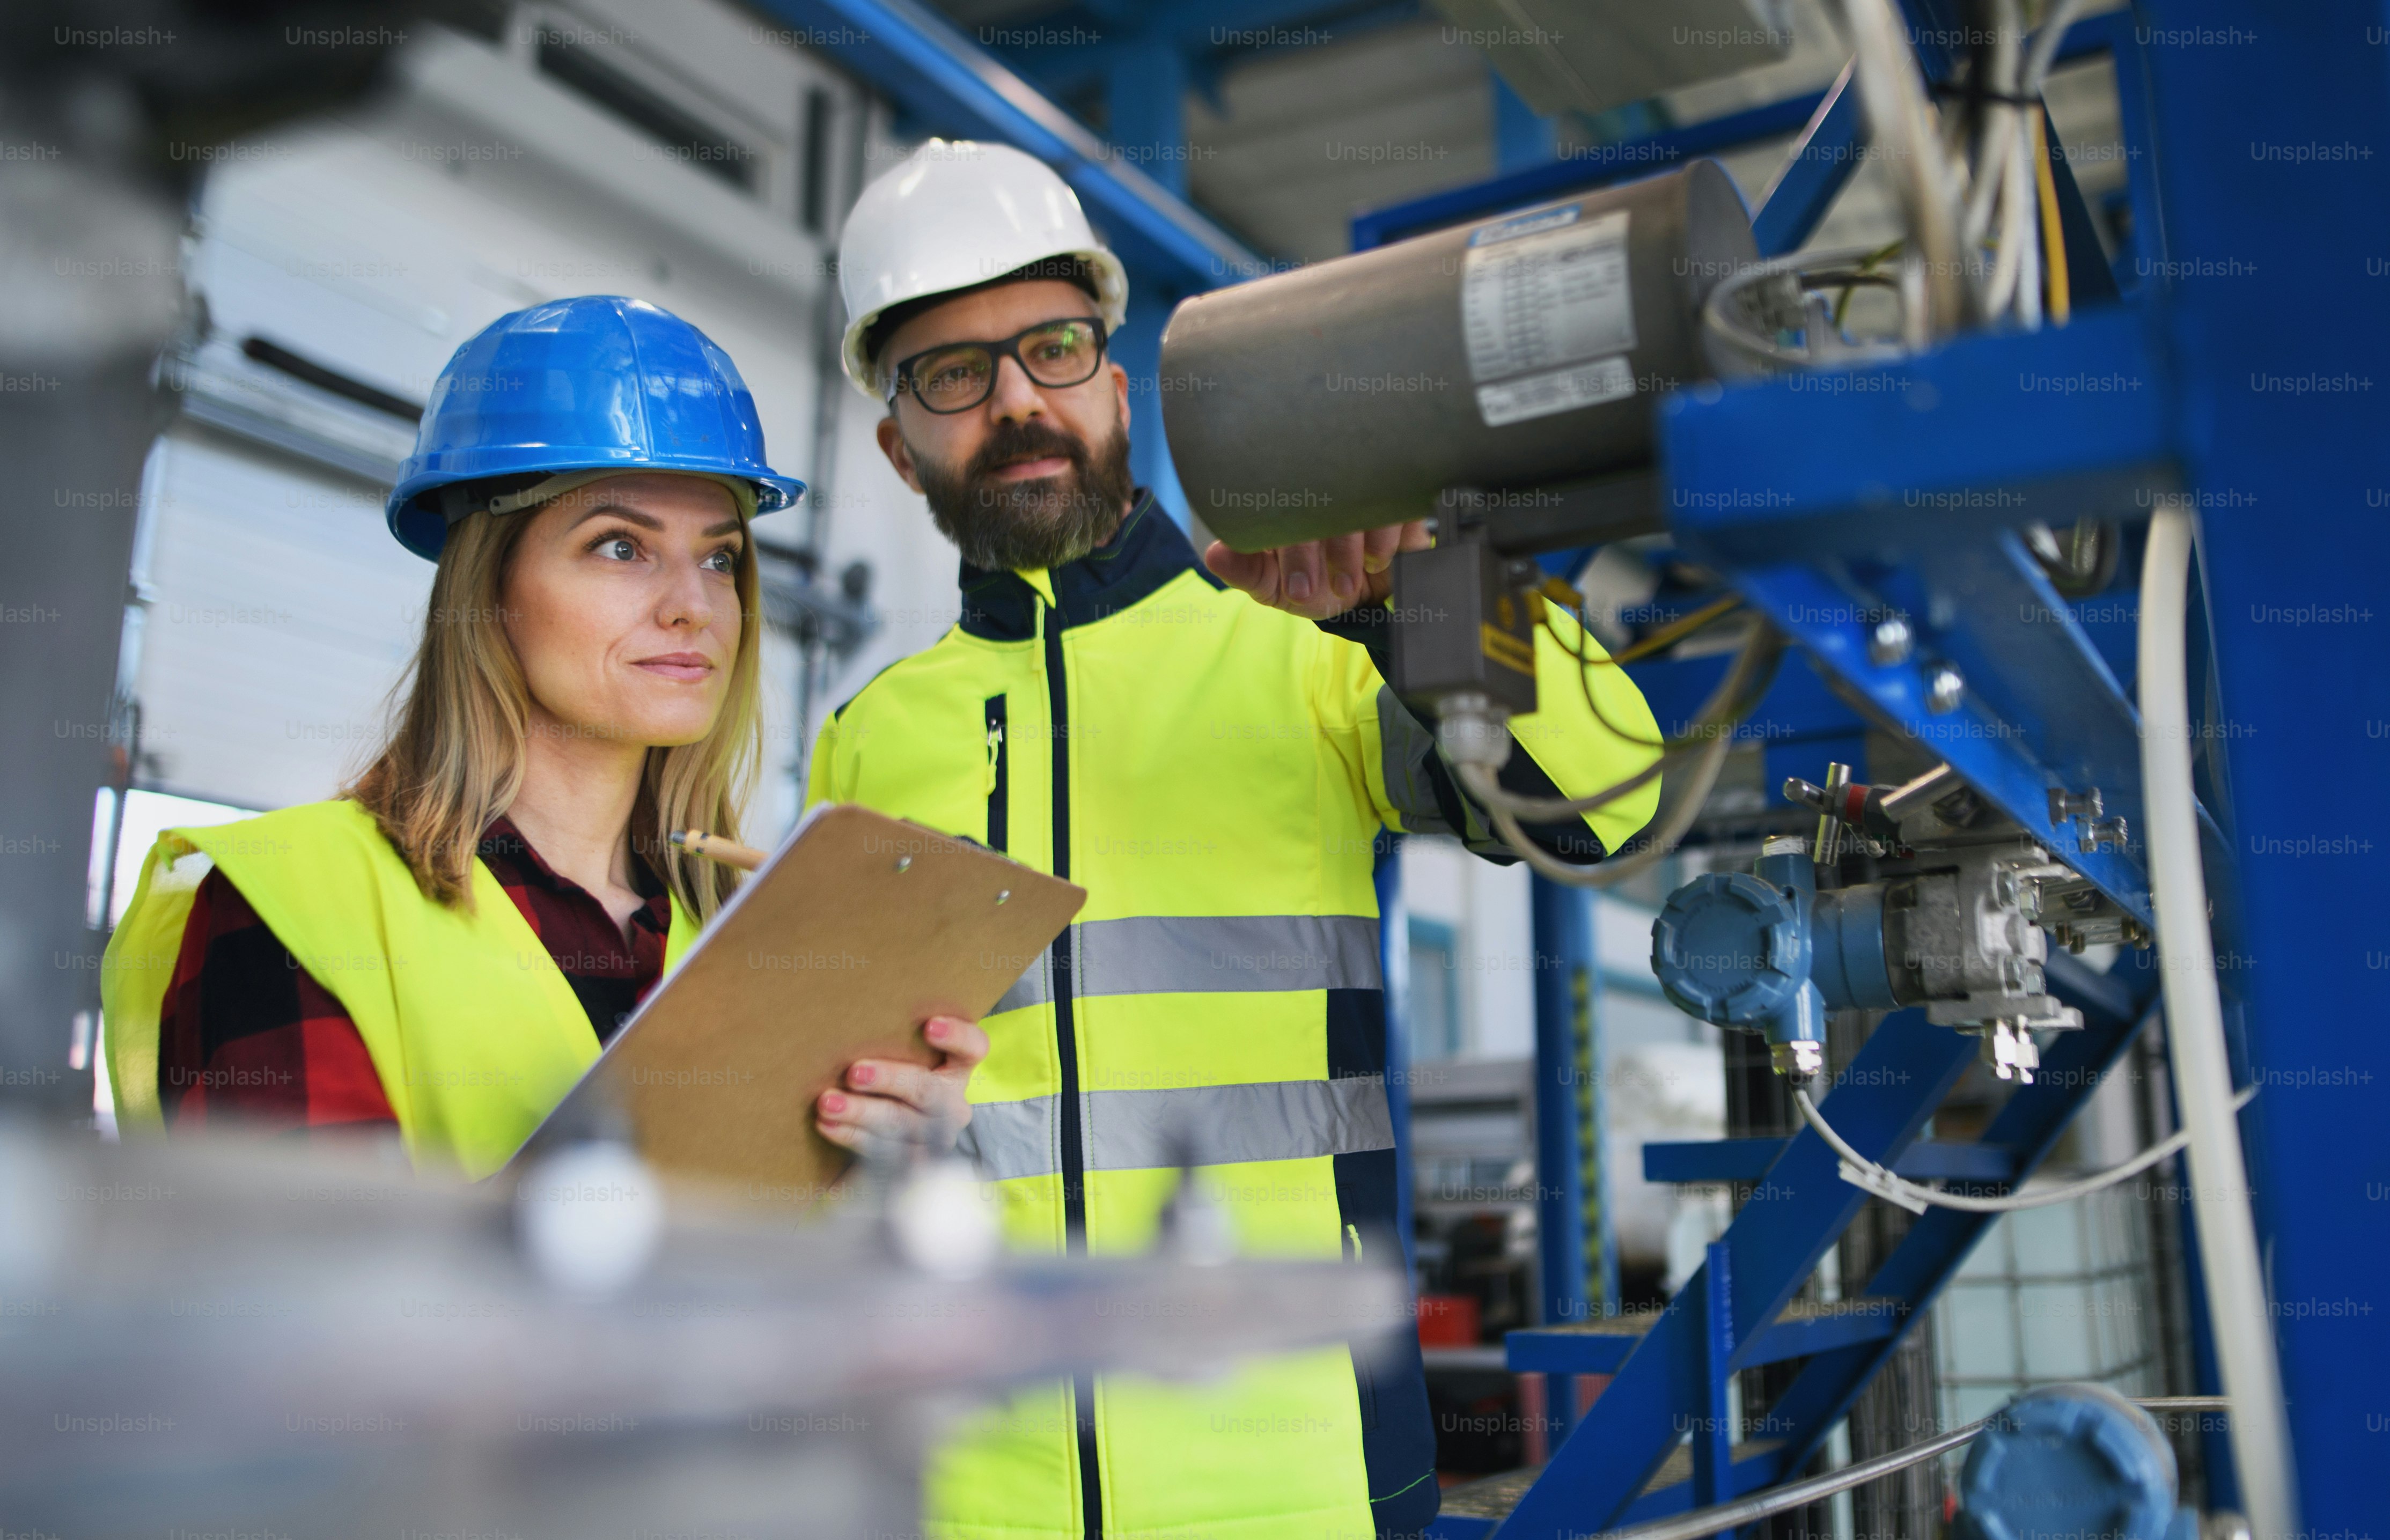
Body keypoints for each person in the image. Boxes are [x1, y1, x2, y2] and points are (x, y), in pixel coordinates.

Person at [814, 141, 1667, 1540]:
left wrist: (1423, 595)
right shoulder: (868, 738)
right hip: (972, 1482)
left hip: (1294, 1463)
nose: (1019, 398)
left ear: (1115, 385)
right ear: (901, 445)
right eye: (955, 374)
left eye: (1054, 346)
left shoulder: (1305, 648)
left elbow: (1612, 796)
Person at [102, 294, 980, 1179]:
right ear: (489, 586)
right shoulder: (290, 903)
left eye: (718, 556)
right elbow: (311, 1299)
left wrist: (880, 1172)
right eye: (619, 547)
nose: (694, 605)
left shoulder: (754, 943)